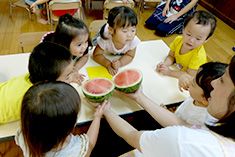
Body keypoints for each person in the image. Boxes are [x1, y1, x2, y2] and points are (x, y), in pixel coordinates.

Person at [101, 55, 235, 156]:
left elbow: (132, 135)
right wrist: (138, 96)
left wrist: (106, 111)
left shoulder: (184, 142)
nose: (214, 84)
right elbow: (181, 123)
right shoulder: (215, 126)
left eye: (222, 81)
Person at [15, 81, 105, 157]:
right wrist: (97, 117)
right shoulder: (74, 151)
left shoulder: (24, 135)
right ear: (69, 127)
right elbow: (89, 145)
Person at [0, 42, 82, 124]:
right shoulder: (36, 100)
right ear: (48, 83)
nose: (71, 74)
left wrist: (67, 77)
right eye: (67, 75)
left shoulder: (36, 74)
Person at [156, 10, 217, 91]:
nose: (191, 40)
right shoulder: (178, 40)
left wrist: (169, 72)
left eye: (198, 39)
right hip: (178, 70)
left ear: (206, 40)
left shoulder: (199, 56)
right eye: (188, 34)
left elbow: (189, 75)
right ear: (183, 29)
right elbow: (171, 56)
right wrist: (165, 65)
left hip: (191, 81)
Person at [93, 6, 141, 75]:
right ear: (111, 30)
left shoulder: (133, 40)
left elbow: (130, 55)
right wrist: (108, 64)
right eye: (125, 31)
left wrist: (120, 63)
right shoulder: (106, 37)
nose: (130, 35)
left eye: (133, 30)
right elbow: (96, 54)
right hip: (105, 34)